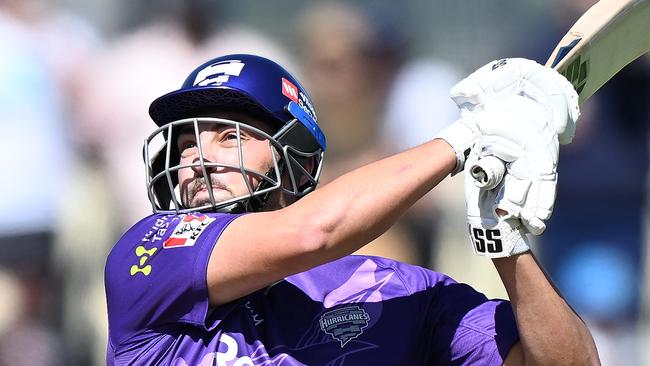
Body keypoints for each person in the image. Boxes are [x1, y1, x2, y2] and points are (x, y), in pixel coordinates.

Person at [104, 54, 600, 365]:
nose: (196, 157)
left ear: (295, 164)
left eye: (229, 135)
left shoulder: (401, 293)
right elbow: (314, 232)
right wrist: (468, 136)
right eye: (187, 141)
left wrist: (505, 237)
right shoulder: (149, 254)